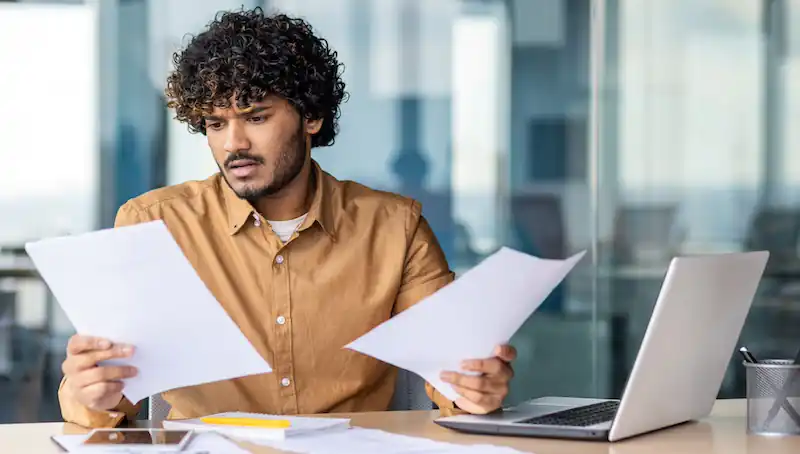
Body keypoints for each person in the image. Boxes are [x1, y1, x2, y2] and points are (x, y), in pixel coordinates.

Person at [58, 8, 516, 428]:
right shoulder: (152, 224)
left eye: (255, 117)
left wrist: (476, 389)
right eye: (216, 124)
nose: (233, 143)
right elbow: (107, 395)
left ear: (311, 117)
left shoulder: (395, 228)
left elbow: (454, 375)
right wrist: (90, 394)